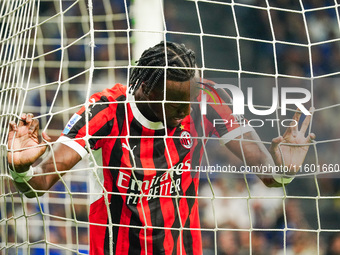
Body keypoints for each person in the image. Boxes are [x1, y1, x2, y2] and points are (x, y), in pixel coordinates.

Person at [7, 41, 315, 255]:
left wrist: (284, 170)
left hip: (182, 245)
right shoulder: (106, 111)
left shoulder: (207, 98)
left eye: (189, 101)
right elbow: (40, 182)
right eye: (177, 105)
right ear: (146, 90)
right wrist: (21, 167)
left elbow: (267, 173)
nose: (185, 112)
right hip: (118, 245)